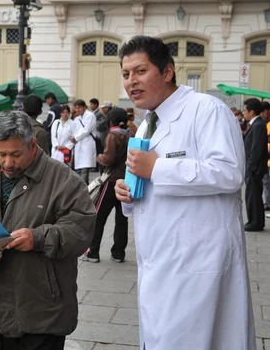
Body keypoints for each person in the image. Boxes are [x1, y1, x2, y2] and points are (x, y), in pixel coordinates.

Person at [113, 36, 255, 349]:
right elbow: (152, 186)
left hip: (197, 264)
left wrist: (158, 169)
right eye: (125, 74)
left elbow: (229, 172)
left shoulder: (207, 110)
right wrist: (128, 194)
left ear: (167, 72)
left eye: (140, 71)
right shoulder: (149, 122)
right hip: (159, 262)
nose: (131, 82)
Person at [0, 110, 96, 350]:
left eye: (16, 154)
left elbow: (81, 231)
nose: (8, 163)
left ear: (33, 145)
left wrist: (37, 238)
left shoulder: (62, 180)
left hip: (42, 309)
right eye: (1, 154)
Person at [81, 107, 131, 263]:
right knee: (122, 219)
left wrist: (99, 157)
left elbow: (108, 159)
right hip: (126, 180)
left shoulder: (112, 135)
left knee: (98, 216)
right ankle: (118, 253)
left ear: (111, 121)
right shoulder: (130, 134)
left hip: (111, 181)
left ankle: (92, 251)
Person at [243, 98, 268, 232]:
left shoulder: (258, 125)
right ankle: (254, 221)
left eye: (245, 110)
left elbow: (256, 149)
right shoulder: (256, 124)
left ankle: (255, 222)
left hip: (254, 168)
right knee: (252, 195)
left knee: (254, 196)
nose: (243, 113)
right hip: (253, 167)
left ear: (251, 112)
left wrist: (251, 167)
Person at [70, 99, 97, 184]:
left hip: (87, 143)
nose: (78, 110)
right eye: (76, 108)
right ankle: (83, 187)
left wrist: (76, 137)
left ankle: (85, 188)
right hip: (79, 144)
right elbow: (74, 131)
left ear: (84, 107)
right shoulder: (76, 119)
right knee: (79, 169)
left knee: (85, 169)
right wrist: (73, 138)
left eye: (79, 107)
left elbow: (87, 130)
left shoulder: (90, 116)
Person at [261, 102, 270, 211]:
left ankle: (269, 203)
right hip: (265, 156)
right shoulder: (264, 123)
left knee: (267, 181)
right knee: (265, 181)